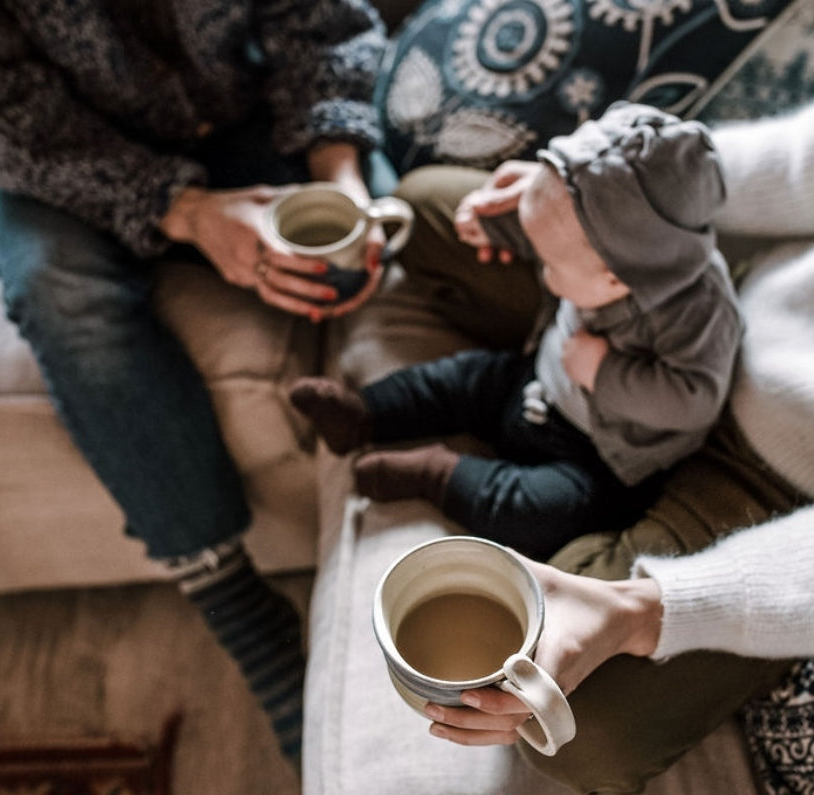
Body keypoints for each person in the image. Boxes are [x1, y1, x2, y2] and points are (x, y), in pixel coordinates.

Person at [372, 13, 814, 795]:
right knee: (428, 210)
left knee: (568, 728)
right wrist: (595, 195)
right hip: (712, 307)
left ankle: (564, 475)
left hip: (773, 488)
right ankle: (555, 415)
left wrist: (647, 607)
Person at [0, 0, 392, 772]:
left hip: (245, 104)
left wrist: (340, 173)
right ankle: (238, 609)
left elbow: (321, 17)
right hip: (55, 145)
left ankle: (394, 553)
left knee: (380, 237)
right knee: (58, 294)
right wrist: (184, 213)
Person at [289, 104, 741, 560]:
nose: (544, 276)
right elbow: (556, 233)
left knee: (545, 512)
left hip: (598, 456)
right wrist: (495, 226)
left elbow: (694, 396)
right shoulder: (609, 245)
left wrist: (605, 372)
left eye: (550, 267)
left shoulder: (697, 313)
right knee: (461, 379)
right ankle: (363, 414)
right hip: (533, 382)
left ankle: (438, 474)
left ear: (614, 278)